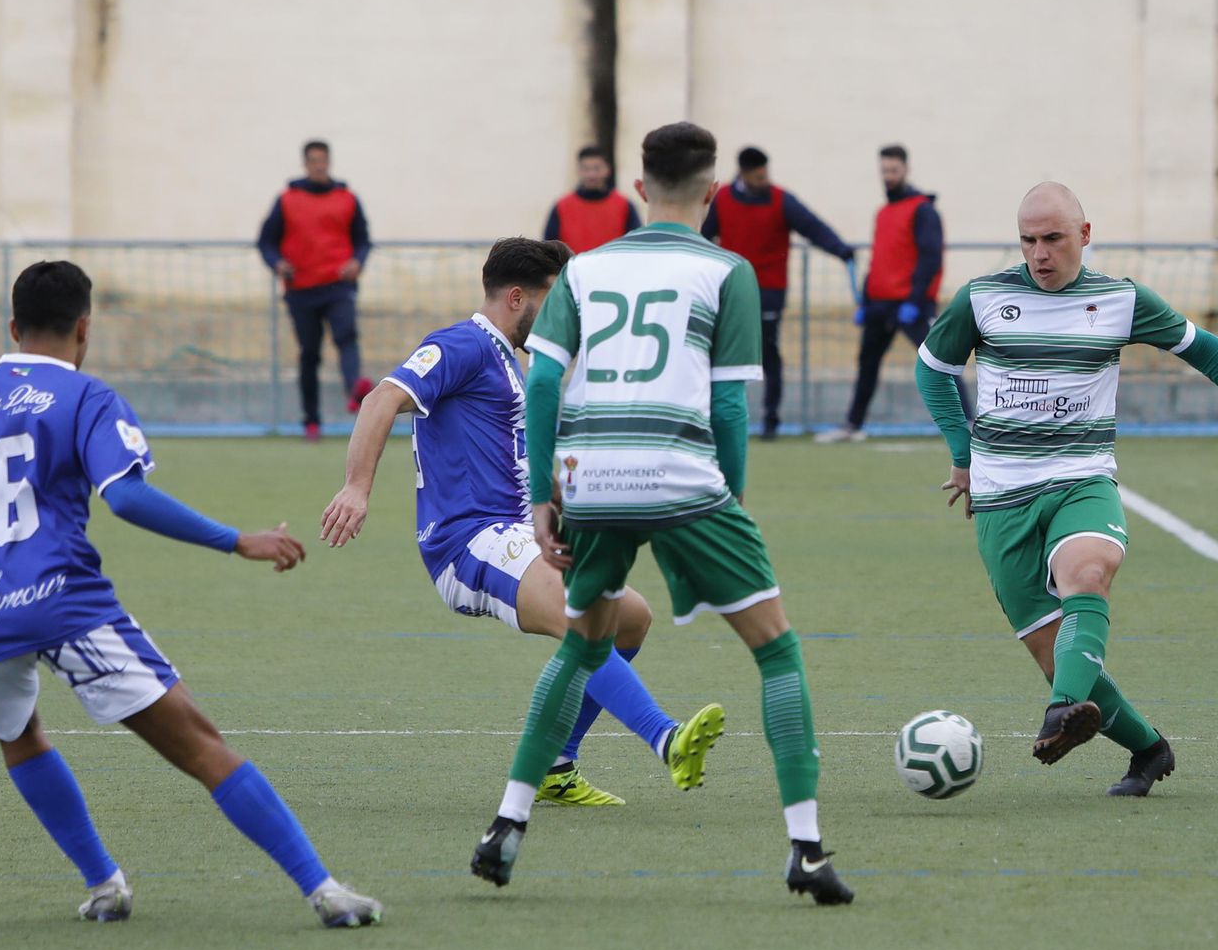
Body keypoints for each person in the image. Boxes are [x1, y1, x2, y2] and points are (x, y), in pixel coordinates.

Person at [0, 261, 382, 929]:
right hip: (63, 600)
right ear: (85, 329)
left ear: (12, 328)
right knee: (202, 747)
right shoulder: (87, 398)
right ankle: (323, 890)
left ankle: (103, 884)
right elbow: (124, 496)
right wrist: (235, 539)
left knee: (22, 736)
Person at [471, 122, 854, 906]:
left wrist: (545, 494)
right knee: (776, 652)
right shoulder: (728, 271)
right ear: (712, 193)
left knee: (580, 648)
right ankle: (807, 850)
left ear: (639, 190)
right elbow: (728, 405)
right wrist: (733, 500)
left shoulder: (582, 271)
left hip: (592, 481)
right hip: (681, 477)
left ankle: (507, 824)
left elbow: (543, 385)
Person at [916, 183, 1218, 797]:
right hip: (1002, 496)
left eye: (1053, 239)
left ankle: (1062, 714)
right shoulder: (982, 297)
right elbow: (933, 368)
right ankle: (1148, 749)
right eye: (1028, 241)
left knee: (1089, 571)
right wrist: (963, 455)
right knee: (1056, 653)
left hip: (1082, 479)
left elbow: (1205, 350)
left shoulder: (1120, 300)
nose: (1040, 254)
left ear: (1084, 235)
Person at [321, 236, 723, 806]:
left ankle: (558, 766)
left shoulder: (510, 362)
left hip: (516, 534)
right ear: (516, 297)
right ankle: (667, 738)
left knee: (631, 618)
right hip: (468, 542)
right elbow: (380, 399)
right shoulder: (462, 344)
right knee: (580, 617)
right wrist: (357, 488)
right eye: (553, 302)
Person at [820, 144, 972, 442]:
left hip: (911, 304)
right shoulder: (884, 212)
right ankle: (853, 425)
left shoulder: (923, 210)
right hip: (879, 304)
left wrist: (916, 300)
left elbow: (930, 259)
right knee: (867, 363)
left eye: (893, 170)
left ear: (905, 169)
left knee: (941, 359)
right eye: (884, 171)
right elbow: (880, 259)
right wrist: (865, 300)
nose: (888, 176)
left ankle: (967, 422)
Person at [702, 146, 855, 439]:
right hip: (731, 289)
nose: (764, 180)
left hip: (770, 290)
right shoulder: (722, 201)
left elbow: (813, 227)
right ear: (744, 174)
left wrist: (840, 249)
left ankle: (771, 421)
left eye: (766, 175)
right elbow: (702, 235)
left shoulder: (781, 200)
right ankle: (719, 417)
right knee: (723, 353)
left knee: (768, 353)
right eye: (758, 176)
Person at [256, 140, 374, 441]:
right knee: (309, 354)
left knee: (347, 336)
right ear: (305, 164)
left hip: (338, 284)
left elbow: (363, 240)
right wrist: (277, 263)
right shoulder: (287, 200)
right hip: (302, 288)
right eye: (313, 160)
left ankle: (354, 390)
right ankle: (311, 421)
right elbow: (266, 241)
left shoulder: (347, 198)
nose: (319, 165)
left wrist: (357, 262)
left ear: (329, 162)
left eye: (323, 160)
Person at [543, 146, 642, 253]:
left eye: (597, 168)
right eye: (586, 169)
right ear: (578, 171)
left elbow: (635, 245)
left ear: (607, 169)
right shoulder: (561, 206)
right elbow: (549, 249)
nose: (592, 175)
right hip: (572, 269)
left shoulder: (624, 205)